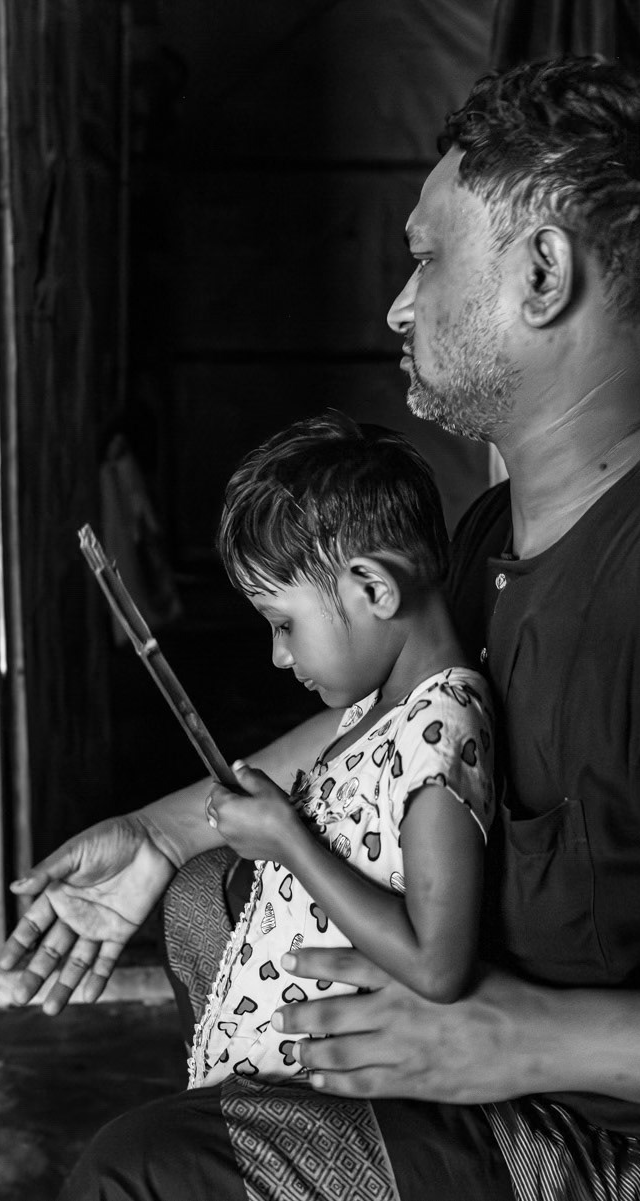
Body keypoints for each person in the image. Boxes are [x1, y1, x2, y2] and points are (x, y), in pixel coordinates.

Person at [0, 56, 640, 1200]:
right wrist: (168, 830)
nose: (397, 300)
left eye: (427, 257)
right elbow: (388, 730)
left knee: (143, 1175)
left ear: (541, 272)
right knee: (204, 909)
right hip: (519, 1055)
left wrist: (519, 1039)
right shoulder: (496, 535)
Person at [186, 414, 496, 1087]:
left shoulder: (441, 730)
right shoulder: (375, 709)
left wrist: (289, 841)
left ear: (375, 590)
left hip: (328, 1104)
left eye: (284, 624)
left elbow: (438, 966)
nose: (278, 654)